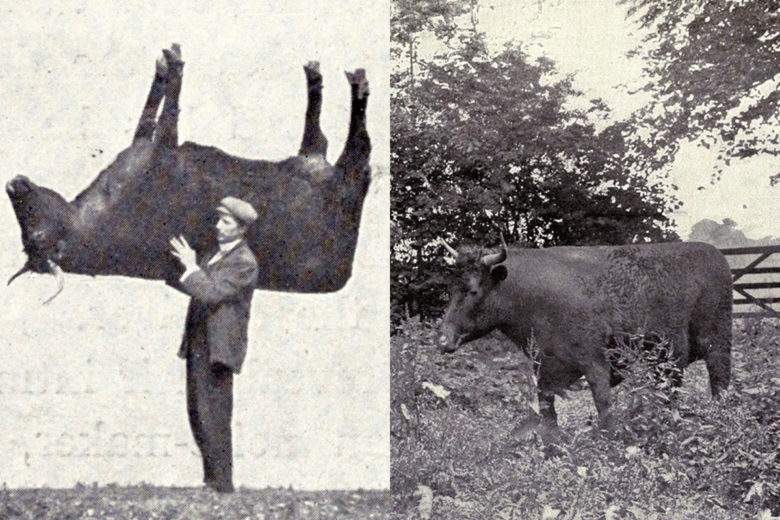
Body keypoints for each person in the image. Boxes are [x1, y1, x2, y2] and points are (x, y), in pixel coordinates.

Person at [169, 196, 259, 493]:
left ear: (241, 228)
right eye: (218, 219)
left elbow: (211, 294)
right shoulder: (215, 256)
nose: (218, 226)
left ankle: (222, 484)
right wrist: (187, 269)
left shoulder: (244, 262)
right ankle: (211, 480)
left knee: (215, 414)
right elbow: (197, 284)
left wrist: (190, 267)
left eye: (226, 222)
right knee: (197, 411)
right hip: (199, 341)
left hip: (219, 347)